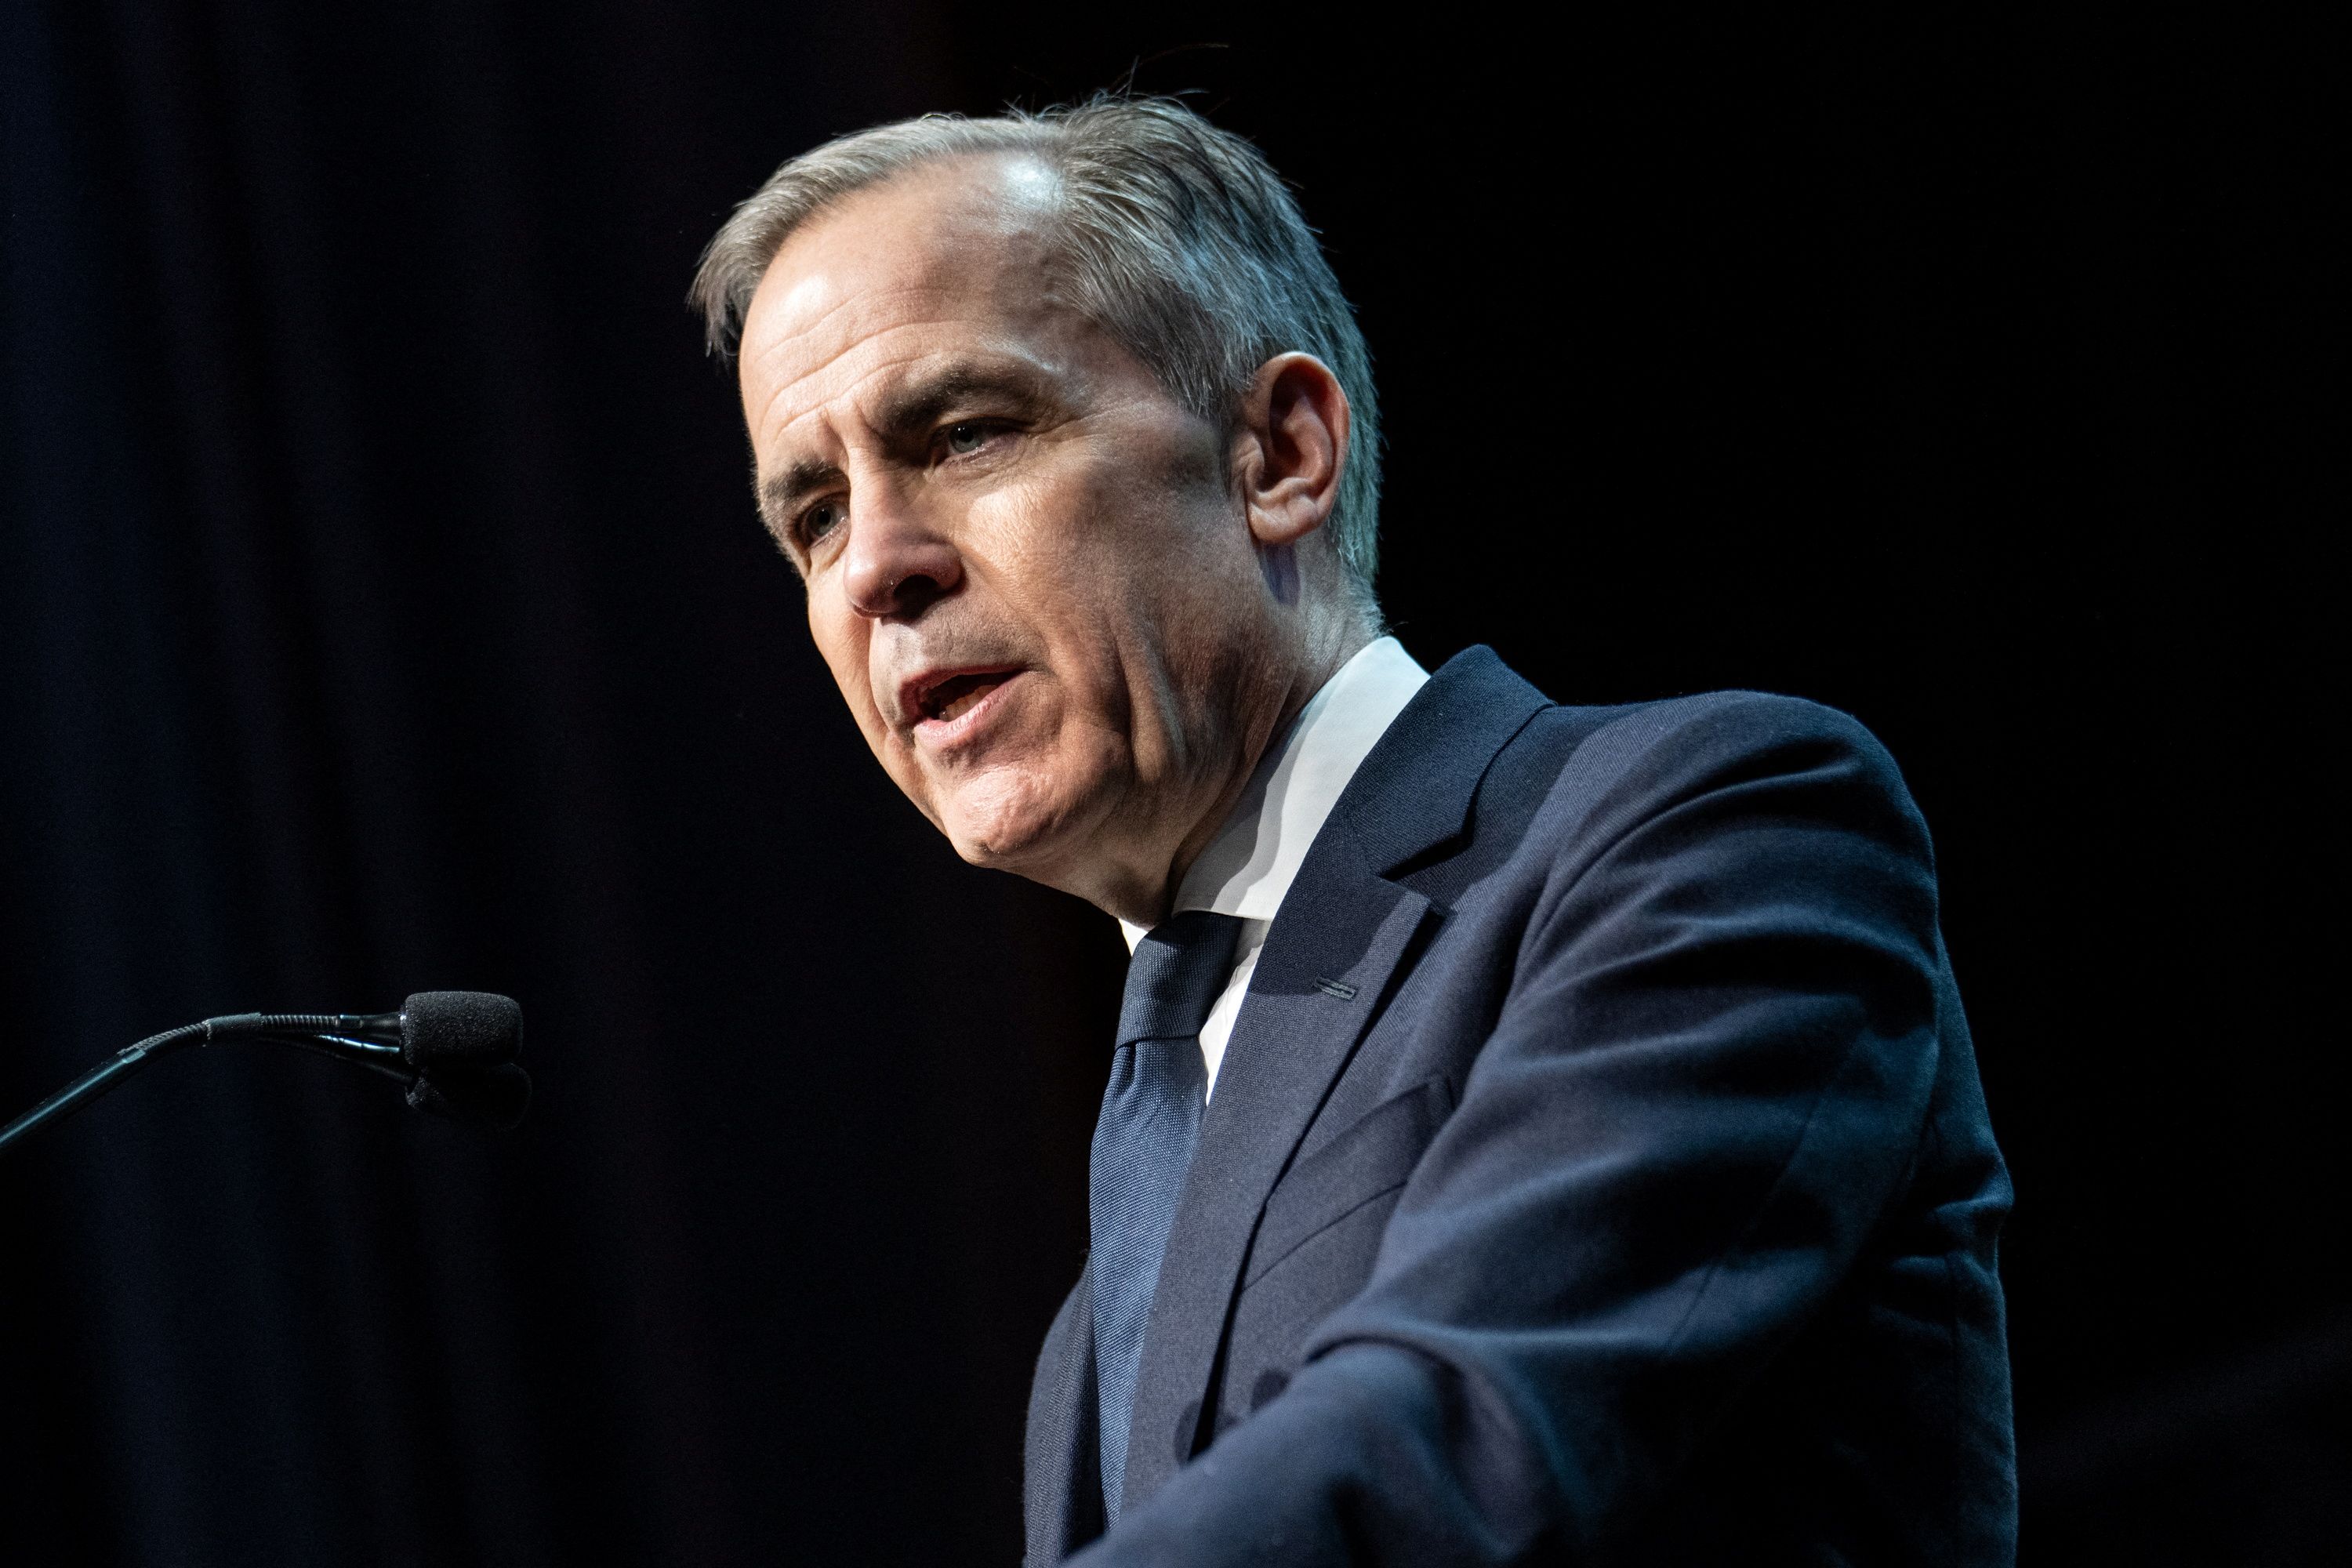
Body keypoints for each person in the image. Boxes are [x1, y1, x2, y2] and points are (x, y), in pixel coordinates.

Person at [690, 96, 2014, 1566]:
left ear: (1279, 453)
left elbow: (1465, 1427)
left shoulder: (1703, 829)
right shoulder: (1092, 1327)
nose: (874, 563)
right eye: (812, 515)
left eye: (966, 432)